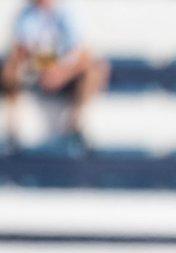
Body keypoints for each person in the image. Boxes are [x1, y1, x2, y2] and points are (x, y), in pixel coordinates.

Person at [1, 0, 109, 146]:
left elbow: (79, 52)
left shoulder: (69, 13)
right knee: (11, 65)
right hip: (37, 65)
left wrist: (61, 72)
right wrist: (45, 66)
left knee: (95, 68)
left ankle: (75, 126)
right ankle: (13, 127)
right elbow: (22, 50)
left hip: (65, 66)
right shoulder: (26, 14)